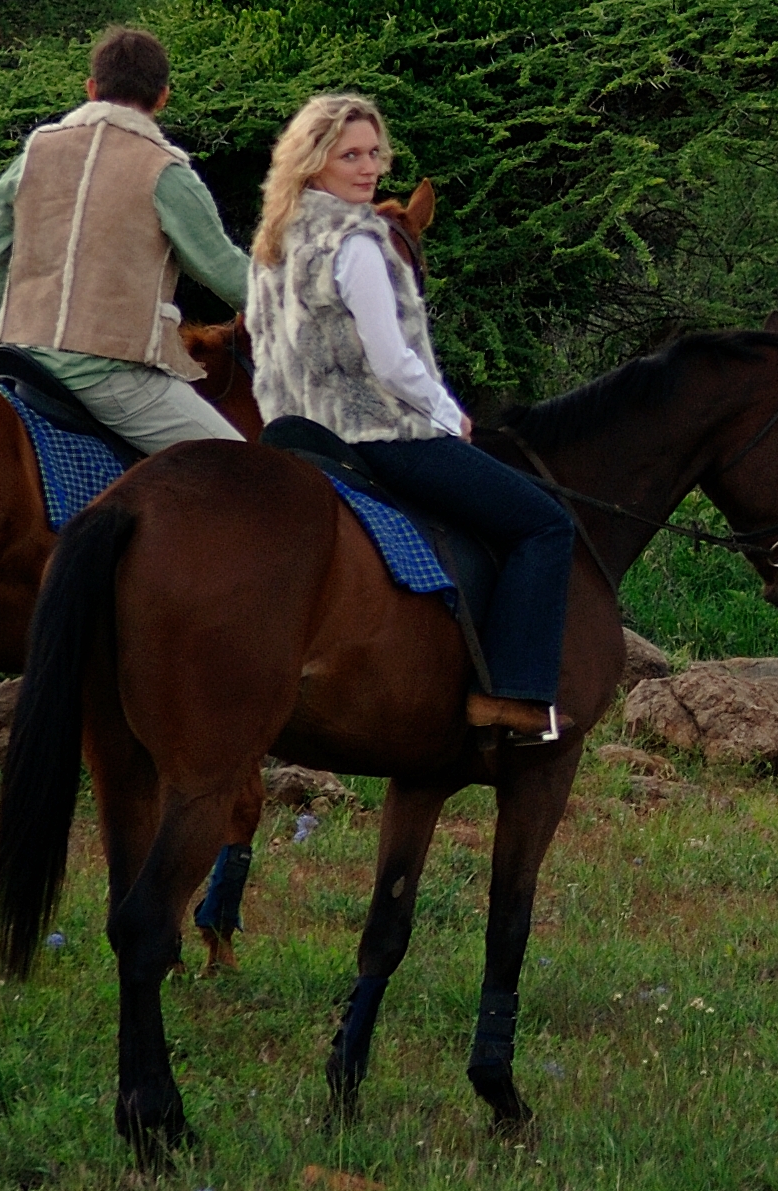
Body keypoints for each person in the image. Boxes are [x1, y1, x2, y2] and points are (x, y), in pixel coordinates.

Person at [247, 91, 577, 736]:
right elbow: (392, 362)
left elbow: (264, 354)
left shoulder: (273, 243)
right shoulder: (358, 240)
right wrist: (448, 413)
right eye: (350, 155)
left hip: (298, 436)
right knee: (545, 525)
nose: (369, 168)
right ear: (314, 161)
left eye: (375, 153)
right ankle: (511, 696)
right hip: (380, 435)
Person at [0, 25, 256, 453]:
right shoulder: (167, 172)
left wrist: (14, 327)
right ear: (163, 95)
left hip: (17, 362)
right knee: (246, 474)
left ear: (91, 88)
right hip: (111, 379)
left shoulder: (32, 155)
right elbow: (227, 274)